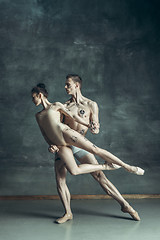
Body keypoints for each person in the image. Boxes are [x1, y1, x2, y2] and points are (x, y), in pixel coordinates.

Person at [31, 82, 144, 222]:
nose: (66, 87)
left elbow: (91, 124)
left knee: (99, 176)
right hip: (63, 145)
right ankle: (68, 213)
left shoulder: (90, 104)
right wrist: (51, 145)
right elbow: (47, 131)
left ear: (77, 85)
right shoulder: (62, 105)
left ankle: (125, 205)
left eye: (68, 85)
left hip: (77, 143)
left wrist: (93, 126)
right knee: (60, 179)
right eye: (66, 85)